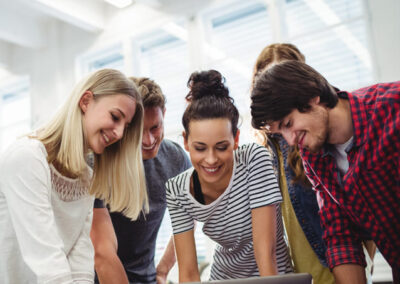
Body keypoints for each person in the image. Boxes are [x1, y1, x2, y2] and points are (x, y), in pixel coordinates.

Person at [250, 60, 400, 283]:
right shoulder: (312, 156)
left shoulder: (392, 108)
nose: (291, 140)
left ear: (312, 95)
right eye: (281, 132)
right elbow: (340, 235)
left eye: (288, 123)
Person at [0, 68, 148, 283]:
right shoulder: (27, 157)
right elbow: (47, 261)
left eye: (125, 126)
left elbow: (80, 266)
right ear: (86, 101)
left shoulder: (86, 178)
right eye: (115, 117)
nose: (119, 133)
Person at [166, 70, 292, 282]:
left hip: (272, 278)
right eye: (200, 148)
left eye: (221, 147)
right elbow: (188, 273)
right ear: (186, 142)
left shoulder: (253, 159)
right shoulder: (177, 190)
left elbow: (266, 252)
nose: (211, 159)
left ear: (235, 139)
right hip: (223, 278)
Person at [91, 77, 191, 284]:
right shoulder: (98, 162)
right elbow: (102, 255)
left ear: (164, 115)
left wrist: (163, 270)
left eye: (155, 128)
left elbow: (191, 213)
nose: (148, 140)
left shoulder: (176, 158)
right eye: (138, 132)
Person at [251, 43, 334, 284]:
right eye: (264, 81)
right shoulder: (267, 149)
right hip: (297, 272)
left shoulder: (313, 139)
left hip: (334, 267)